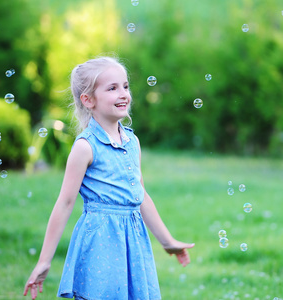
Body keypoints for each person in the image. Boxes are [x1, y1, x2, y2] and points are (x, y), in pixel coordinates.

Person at [23, 56, 194, 300]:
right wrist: (44, 261)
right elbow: (65, 203)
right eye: (112, 88)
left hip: (132, 240)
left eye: (125, 86)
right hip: (101, 241)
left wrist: (168, 242)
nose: (123, 93)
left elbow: (141, 197)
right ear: (88, 100)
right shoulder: (85, 147)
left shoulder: (132, 141)